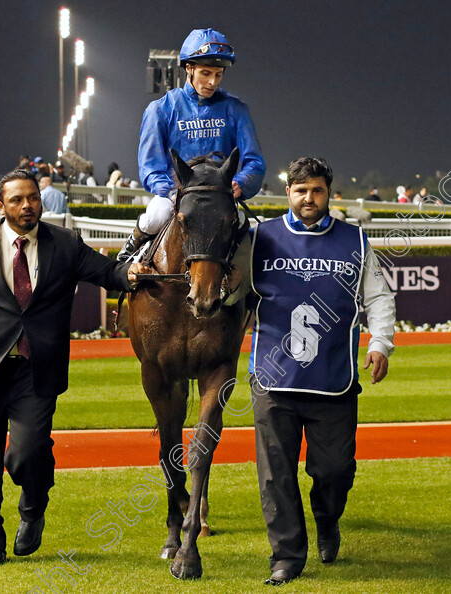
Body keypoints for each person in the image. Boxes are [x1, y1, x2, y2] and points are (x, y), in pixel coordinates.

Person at [0, 169, 151, 566]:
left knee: (27, 453)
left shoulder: (65, 244)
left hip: (37, 369)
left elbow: (105, 271)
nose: (27, 205)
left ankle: (34, 507)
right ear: (0, 205)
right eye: (17, 200)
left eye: (32, 198)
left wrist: (128, 274)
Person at [248, 157, 395, 585]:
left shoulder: (355, 240)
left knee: (334, 471)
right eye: (299, 190)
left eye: (315, 190)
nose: (307, 198)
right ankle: (287, 557)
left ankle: (327, 521)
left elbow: (379, 298)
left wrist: (381, 342)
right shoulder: (261, 239)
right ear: (288, 193)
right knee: (275, 474)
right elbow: (231, 291)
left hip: (334, 380)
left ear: (328, 192)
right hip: (274, 380)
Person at [119, 27, 267, 261]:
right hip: (175, 196)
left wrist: (241, 183)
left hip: (219, 196)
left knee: (241, 229)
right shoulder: (160, 110)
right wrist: (171, 193)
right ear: (189, 68)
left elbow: (255, 162)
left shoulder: (236, 109)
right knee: (157, 214)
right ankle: (127, 259)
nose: (212, 82)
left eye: (218, 75)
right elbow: (150, 168)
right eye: (205, 73)